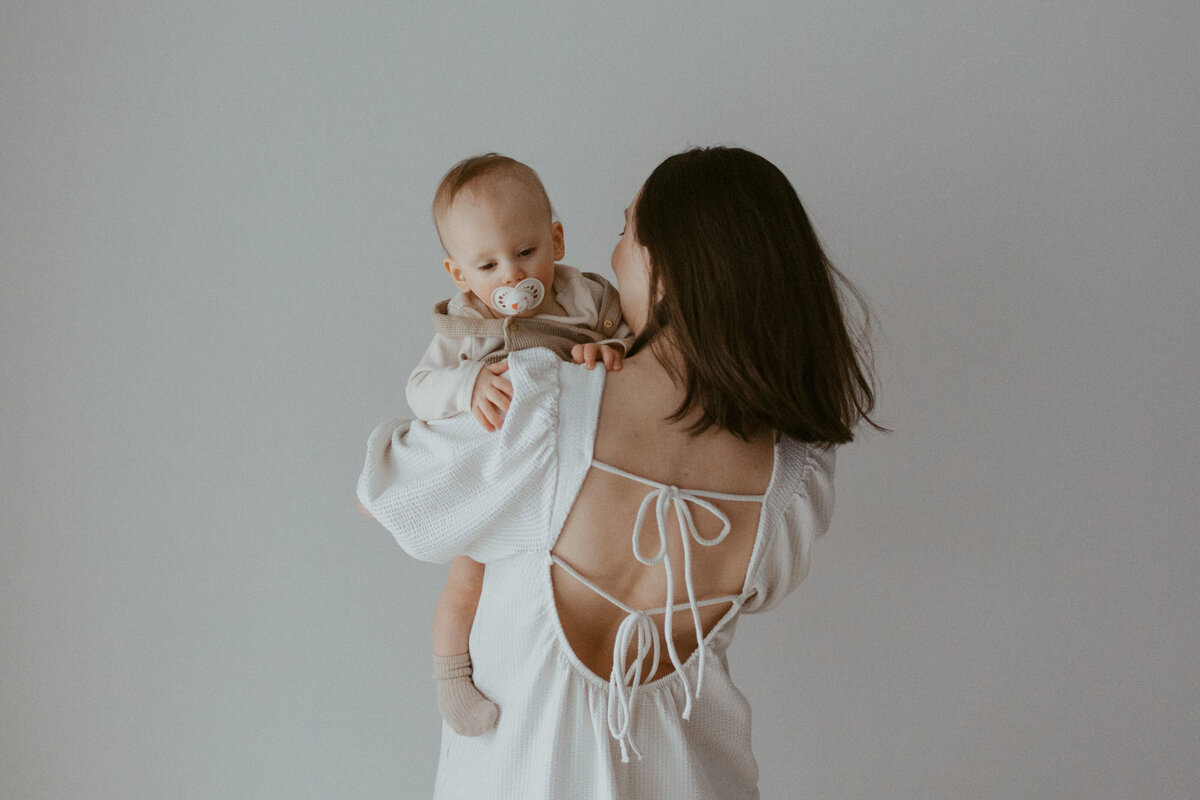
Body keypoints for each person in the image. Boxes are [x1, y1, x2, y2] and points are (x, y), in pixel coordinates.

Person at [358, 146, 881, 798]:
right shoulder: (797, 478)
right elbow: (767, 588)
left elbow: (388, 498)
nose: (608, 259)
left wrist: (458, 395)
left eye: (623, 232)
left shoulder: (539, 408)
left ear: (665, 261)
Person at [409, 154, 633, 736]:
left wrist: (608, 350)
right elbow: (420, 390)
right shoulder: (465, 327)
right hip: (493, 474)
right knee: (466, 581)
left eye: (526, 252)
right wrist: (469, 384)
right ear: (459, 275)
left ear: (555, 239)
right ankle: (451, 676)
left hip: (565, 476)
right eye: (486, 264)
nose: (510, 275)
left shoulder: (586, 300)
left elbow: (630, 346)